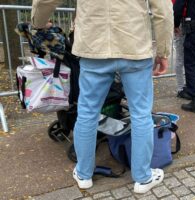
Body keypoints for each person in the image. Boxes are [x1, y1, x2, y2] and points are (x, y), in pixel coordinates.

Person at [31, 0, 173, 194]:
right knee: (141, 113)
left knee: (87, 112)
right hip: (134, 46)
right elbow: (163, 11)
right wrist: (163, 51)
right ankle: (143, 177)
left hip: (92, 46)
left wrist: (38, 22)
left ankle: (83, 175)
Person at [172, 0, 195, 100]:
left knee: (193, 57)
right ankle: (180, 88)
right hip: (181, 20)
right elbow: (177, 7)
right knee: (181, 57)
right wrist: (175, 24)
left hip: (190, 20)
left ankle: (194, 84)